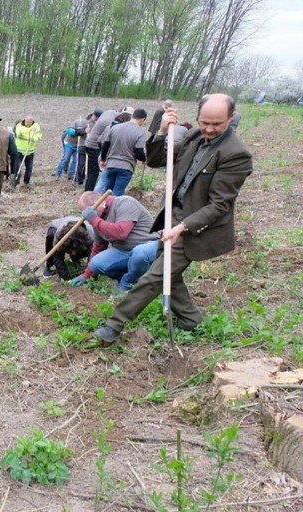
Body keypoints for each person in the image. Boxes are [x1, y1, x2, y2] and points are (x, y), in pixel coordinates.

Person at [94, 94, 253, 343]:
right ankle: (190, 319)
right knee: (168, 271)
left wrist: (182, 227)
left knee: (156, 275)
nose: (209, 129)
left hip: (197, 226)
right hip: (173, 214)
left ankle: (114, 325)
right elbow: (156, 160)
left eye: (217, 124)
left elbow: (220, 205)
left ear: (230, 119)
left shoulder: (236, 154)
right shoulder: (194, 136)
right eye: (204, 122)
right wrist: (161, 130)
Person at [70, 192, 159, 293]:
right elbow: (98, 247)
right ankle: (132, 276)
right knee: (96, 263)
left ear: (98, 203)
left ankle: (128, 284)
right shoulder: (98, 220)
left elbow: (121, 233)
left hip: (151, 246)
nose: (88, 217)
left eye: (88, 210)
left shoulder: (125, 203)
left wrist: (95, 220)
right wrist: (86, 275)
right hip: (125, 252)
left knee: (140, 254)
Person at [95, 108, 148, 196]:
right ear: (142, 120)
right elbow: (138, 151)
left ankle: (103, 208)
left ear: (133, 116)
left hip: (111, 165)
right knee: (117, 194)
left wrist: (103, 160)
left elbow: (105, 146)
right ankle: (114, 209)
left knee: (107, 193)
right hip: (126, 167)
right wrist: (144, 159)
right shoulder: (141, 133)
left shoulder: (115, 127)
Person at [83, 109, 116, 191]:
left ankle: (89, 190)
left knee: (93, 171)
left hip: (91, 145)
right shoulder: (111, 121)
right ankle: (89, 192)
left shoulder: (110, 113)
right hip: (94, 146)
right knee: (94, 172)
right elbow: (103, 140)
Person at [11, 114, 42, 189]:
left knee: (29, 167)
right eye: (27, 121)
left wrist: (34, 138)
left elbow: (39, 135)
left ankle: (27, 181)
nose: (28, 123)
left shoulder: (36, 126)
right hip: (19, 150)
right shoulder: (19, 126)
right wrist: (28, 135)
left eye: (30, 122)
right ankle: (16, 182)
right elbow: (18, 134)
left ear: (32, 121)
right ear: (25, 120)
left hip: (30, 151)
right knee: (18, 167)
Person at [75, 109, 101, 186]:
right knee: (81, 164)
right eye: (96, 117)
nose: (96, 119)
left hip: (93, 147)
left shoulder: (98, 124)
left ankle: (88, 182)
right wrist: (85, 131)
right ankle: (79, 181)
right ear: (93, 115)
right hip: (83, 146)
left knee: (91, 165)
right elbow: (77, 132)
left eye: (98, 117)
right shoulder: (84, 122)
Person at [56, 116, 87, 181]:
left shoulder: (88, 128)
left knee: (75, 161)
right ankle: (58, 174)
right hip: (69, 144)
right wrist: (76, 132)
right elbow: (69, 130)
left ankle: (71, 175)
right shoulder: (77, 122)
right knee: (65, 159)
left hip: (77, 146)